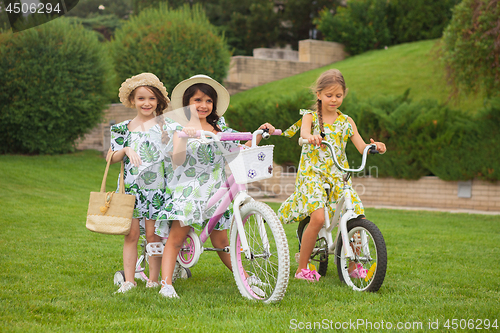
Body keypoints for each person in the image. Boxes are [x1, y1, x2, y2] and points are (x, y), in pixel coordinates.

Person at [156, 75, 275, 298]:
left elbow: (236, 152)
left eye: (208, 101)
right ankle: (166, 284)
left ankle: (246, 278)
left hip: (216, 188)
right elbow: (177, 159)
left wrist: (258, 134)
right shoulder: (180, 126)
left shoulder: (219, 127)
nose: (203, 105)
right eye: (197, 100)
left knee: (221, 241)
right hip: (189, 188)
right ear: (187, 102)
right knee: (177, 236)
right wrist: (184, 136)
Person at [278, 69, 386, 282]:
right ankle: (302, 268)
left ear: (344, 94)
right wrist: (312, 138)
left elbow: (361, 146)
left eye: (338, 95)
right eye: (329, 95)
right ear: (319, 95)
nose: (334, 100)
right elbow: (304, 134)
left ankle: (354, 265)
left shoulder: (347, 121)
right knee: (317, 218)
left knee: (356, 216)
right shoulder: (310, 117)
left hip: (339, 175)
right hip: (312, 174)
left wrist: (375, 147)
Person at [108, 73, 170, 293]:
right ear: (133, 100)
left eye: (152, 98)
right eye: (141, 98)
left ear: (158, 102)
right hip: (131, 190)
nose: (146, 103)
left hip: (156, 189)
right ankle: (129, 280)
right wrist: (125, 149)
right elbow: (110, 157)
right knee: (131, 234)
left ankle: (154, 279)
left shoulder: (165, 126)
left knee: (154, 235)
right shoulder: (123, 128)